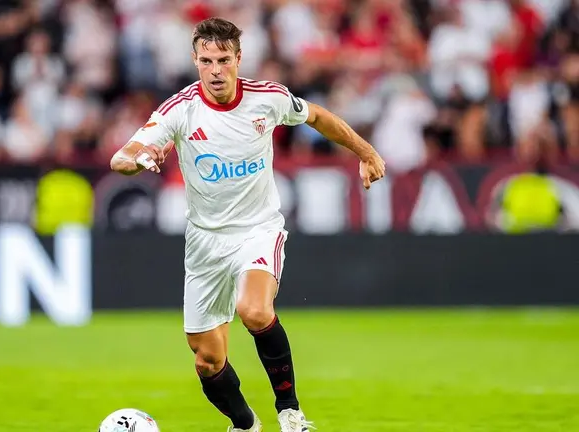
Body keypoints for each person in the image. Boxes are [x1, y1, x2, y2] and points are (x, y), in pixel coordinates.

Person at [109, 17, 386, 432]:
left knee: (254, 310)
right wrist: (141, 159)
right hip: (204, 241)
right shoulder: (180, 109)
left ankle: (291, 413)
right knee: (207, 359)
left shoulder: (267, 98)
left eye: (223, 60)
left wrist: (365, 152)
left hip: (258, 229)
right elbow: (121, 157)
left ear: (239, 58)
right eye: (206, 61)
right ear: (195, 60)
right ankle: (245, 425)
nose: (215, 70)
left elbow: (317, 117)